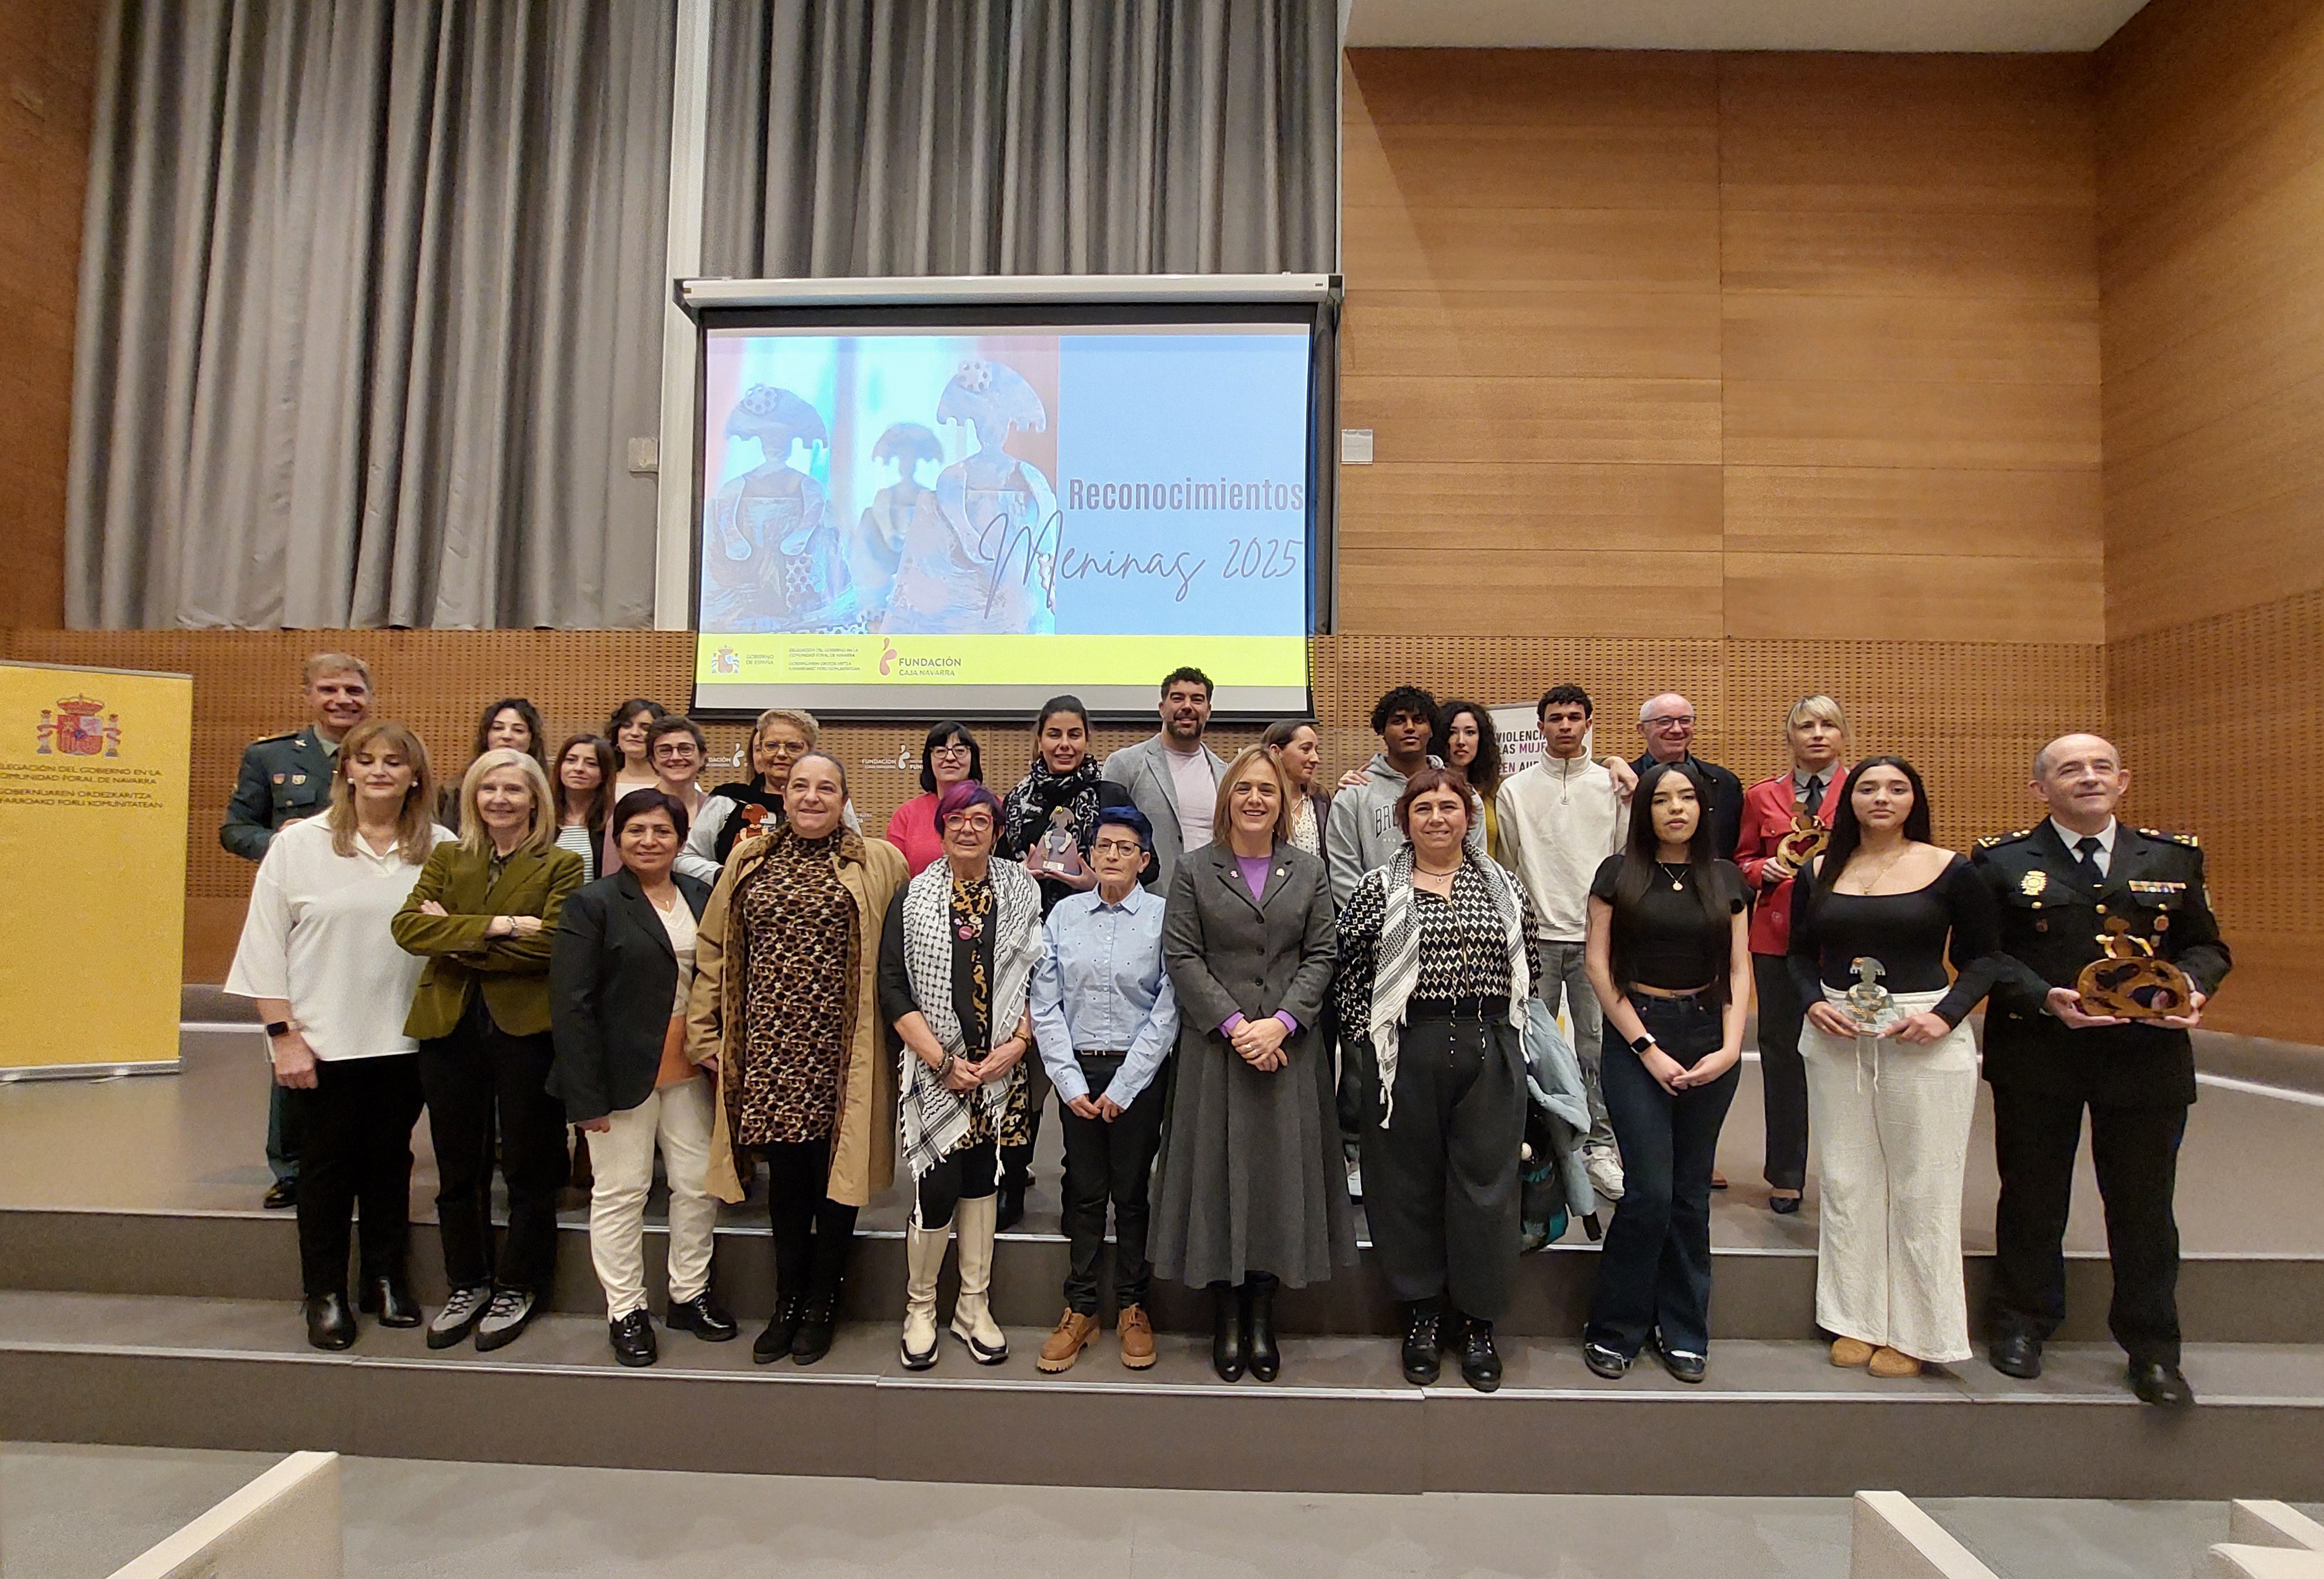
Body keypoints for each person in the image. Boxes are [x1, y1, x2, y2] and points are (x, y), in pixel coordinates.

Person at [1971, 733, 2229, 1409]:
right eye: (2069, 769)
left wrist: (2193, 990)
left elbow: (2205, 944)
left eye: (2100, 767)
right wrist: (2043, 997)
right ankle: (2023, 1322)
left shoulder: (2172, 857)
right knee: (2031, 1195)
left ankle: (2152, 1349)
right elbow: (1984, 955)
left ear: (2123, 780)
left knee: (2144, 1208)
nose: (2087, 777)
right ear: (2040, 789)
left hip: (2146, 1058)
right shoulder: (2001, 861)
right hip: (2039, 1052)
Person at [224, 720, 444, 1350]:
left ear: (415, 775)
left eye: (393, 762)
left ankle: (383, 1274)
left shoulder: (442, 846)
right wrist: (282, 1034)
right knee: (325, 1171)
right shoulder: (299, 846)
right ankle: (323, 1292)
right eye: (365, 759)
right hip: (323, 1042)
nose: (379, 770)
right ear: (345, 769)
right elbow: (264, 947)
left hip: (407, 1041)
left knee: (390, 1163)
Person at [688, 751, 909, 1367]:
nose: (812, 797)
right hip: (771, 1046)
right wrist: (705, 1028)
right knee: (786, 1178)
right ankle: (786, 1300)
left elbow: (902, 954)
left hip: (845, 1047)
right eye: (800, 786)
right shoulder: (748, 858)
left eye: (827, 788)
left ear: (844, 799)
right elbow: (714, 946)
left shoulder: (878, 861)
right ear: (782, 793)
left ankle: (823, 1301)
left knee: (837, 1175)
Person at [1791, 757, 2003, 1380]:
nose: (1880, 798)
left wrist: (1946, 1014)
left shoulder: (1950, 868)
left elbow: (1987, 956)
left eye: (1896, 788)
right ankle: (1853, 1314)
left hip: (1922, 1033)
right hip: (1837, 1031)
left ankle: (1919, 1328)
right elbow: (1800, 954)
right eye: (1867, 788)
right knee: (1848, 1177)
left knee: (1921, 1182)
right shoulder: (1818, 870)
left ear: (1915, 798)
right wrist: (1811, 1000)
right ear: (1847, 799)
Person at [1152, 746, 1354, 1383]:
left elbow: (1323, 951)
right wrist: (1239, 1025)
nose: (1256, 799)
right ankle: (1227, 1315)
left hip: (1288, 1052)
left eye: (1267, 789)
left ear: (1283, 801)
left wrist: (1283, 1022)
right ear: (1226, 799)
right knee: (1218, 1178)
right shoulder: (1192, 869)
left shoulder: (1308, 870)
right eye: (1244, 789)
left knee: (1275, 1179)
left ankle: (1262, 1312)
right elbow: (1181, 955)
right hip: (1217, 1051)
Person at [1335, 766, 1539, 1392]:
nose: (1436, 817)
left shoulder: (1504, 886)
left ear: (1469, 815)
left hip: (1488, 1046)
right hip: (1404, 1051)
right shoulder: (1375, 889)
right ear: (1405, 819)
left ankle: (1477, 1322)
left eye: (1449, 805)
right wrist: (1368, 1058)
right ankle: (1422, 1316)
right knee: (1405, 1188)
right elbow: (1349, 979)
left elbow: (1525, 960)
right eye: (1422, 806)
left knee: (1485, 1189)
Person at [392, 749, 586, 1353]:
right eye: (488, 788)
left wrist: (459, 930)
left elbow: (553, 943)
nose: (499, 799)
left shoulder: (561, 864)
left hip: (526, 1028)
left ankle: (519, 1284)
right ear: (473, 797)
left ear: (536, 799)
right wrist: (502, 925)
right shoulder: (450, 855)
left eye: (513, 789)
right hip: (449, 1024)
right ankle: (467, 1281)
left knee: (529, 1164)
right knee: (457, 1166)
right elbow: (409, 928)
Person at [548, 789, 736, 1368]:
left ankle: (688, 1293)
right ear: (617, 837)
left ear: (680, 838)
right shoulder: (592, 903)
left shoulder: (702, 894)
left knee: (695, 1185)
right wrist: (584, 1096)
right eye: (636, 830)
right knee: (621, 1191)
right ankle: (626, 1309)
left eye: (661, 830)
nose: (649, 841)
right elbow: (571, 1004)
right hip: (618, 1075)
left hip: (691, 1070)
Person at [1580, 762, 1751, 1384]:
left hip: (1709, 1035)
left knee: (1688, 1194)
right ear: (1642, 809)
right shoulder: (1616, 874)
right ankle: (1615, 1325)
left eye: (1687, 797)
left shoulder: (1725, 878)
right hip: (1637, 1036)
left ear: (1704, 807)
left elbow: (1738, 970)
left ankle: (1682, 1327)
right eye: (1661, 798)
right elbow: (1599, 969)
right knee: (1647, 1191)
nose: (1675, 807)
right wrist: (1647, 1046)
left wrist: (1730, 1048)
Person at [883, 781, 1043, 1370]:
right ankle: (920, 1306)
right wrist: (942, 1061)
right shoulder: (912, 896)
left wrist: (1018, 1044)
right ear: (941, 827)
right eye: (957, 818)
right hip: (936, 1070)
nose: (968, 828)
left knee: (983, 1182)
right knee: (938, 1186)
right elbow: (892, 986)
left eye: (981, 819)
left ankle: (972, 1305)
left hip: (1001, 1070)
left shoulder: (1022, 890)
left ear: (997, 830)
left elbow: (1037, 973)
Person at [222, 650, 374, 1212]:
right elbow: (235, 830)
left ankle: (360, 1156)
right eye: (330, 689)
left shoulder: (383, 750)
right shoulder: (272, 757)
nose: (343, 700)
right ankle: (291, 1166)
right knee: (298, 1033)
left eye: (354, 690)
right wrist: (282, 845)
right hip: (302, 915)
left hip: (366, 914)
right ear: (308, 694)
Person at [1029, 806, 1179, 1374]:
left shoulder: (1164, 917)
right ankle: (1082, 1306)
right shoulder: (1064, 916)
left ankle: (1134, 1306)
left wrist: (1126, 1083)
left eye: (1125, 847)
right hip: (1078, 1076)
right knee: (1085, 1192)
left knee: (1133, 1191)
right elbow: (1045, 1003)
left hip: (1138, 1074)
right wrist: (1069, 1083)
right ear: (1087, 855)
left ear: (1144, 859)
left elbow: (1168, 1007)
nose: (1112, 855)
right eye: (1103, 846)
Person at [993, 695, 1136, 1228]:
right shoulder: (1017, 800)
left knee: (1086, 1066)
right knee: (1026, 1074)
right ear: (1039, 739)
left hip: (1097, 952)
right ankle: (1013, 1178)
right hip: (1026, 950)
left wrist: (1091, 882)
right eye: (1054, 734)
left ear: (1087, 740)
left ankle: (1082, 1189)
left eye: (1074, 734)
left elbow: (1145, 863)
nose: (1064, 745)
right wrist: (1021, 876)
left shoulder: (1112, 795)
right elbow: (998, 873)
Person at [1495, 684, 1629, 1203]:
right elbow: (1508, 861)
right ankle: (1536, 1144)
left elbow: (1619, 862)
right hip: (1536, 943)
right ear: (1540, 726)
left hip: (1595, 941)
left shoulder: (1612, 787)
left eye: (1575, 717)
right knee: (1530, 1047)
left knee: (1595, 1048)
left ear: (1589, 723)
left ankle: (1597, 1145)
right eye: (1556, 718)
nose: (1566, 726)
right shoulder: (1515, 790)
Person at [1733, 696, 1848, 1215]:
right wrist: (1762, 873)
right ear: (1791, 736)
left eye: (1828, 725)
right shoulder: (1763, 796)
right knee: (1783, 1056)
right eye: (1806, 726)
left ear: (1842, 735)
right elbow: (1742, 858)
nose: (1817, 734)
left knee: (1853, 1058)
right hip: (1776, 938)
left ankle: (1856, 1174)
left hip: (1847, 939)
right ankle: (1785, 1172)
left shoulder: (1866, 789)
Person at [1102, 667, 1226, 886]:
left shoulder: (1226, 774)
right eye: (1178, 698)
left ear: (1208, 711)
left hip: (1211, 902)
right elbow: (1106, 839)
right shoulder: (1125, 765)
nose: (1187, 707)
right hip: (1147, 903)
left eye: (1197, 700)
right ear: (1162, 708)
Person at [679, 707, 821, 882]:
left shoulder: (827, 802)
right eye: (772, 746)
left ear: (810, 753)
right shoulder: (728, 800)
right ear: (760, 751)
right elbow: (686, 859)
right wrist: (725, 876)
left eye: (793, 747)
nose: (781, 754)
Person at [1631, 693, 1744, 861]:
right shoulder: (1623, 780)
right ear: (1642, 729)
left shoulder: (1725, 784)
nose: (1677, 729)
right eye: (1664, 722)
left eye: (1685, 721)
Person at [607, 715, 708, 876]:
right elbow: (611, 879)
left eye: (685, 749)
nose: (675, 757)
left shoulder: (720, 811)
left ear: (702, 757)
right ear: (653, 760)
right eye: (665, 750)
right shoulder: (630, 810)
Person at [885, 720, 982, 876]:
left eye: (960, 750)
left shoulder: (995, 808)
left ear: (973, 758)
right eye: (940, 750)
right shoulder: (907, 815)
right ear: (929, 760)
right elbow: (895, 877)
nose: (950, 757)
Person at [438, 698, 549, 830]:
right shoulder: (452, 792)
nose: (506, 736)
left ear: (532, 739)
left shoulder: (548, 789)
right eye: (498, 728)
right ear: (487, 737)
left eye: (518, 730)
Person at [1432, 700, 1507, 862]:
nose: (1461, 741)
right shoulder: (1426, 788)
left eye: (1470, 733)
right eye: (1453, 733)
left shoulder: (1494, 788)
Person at [1261, 718, 1332, 867]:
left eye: (1316, 750)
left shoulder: (1321, 799)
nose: (1316, 759)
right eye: (1306, 749)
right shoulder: (1259, 802)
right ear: (1276, 752)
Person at [552, 733, 617, 883]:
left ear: (604, 774)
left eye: (591, 764)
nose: (579, 769)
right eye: (571, 760)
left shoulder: (613, 822)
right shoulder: (542, 820)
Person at [606, 699, 668, 800]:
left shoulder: (677, 785)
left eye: (645, 728)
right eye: (627, 726)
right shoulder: (601, 783)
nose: (634, 733)